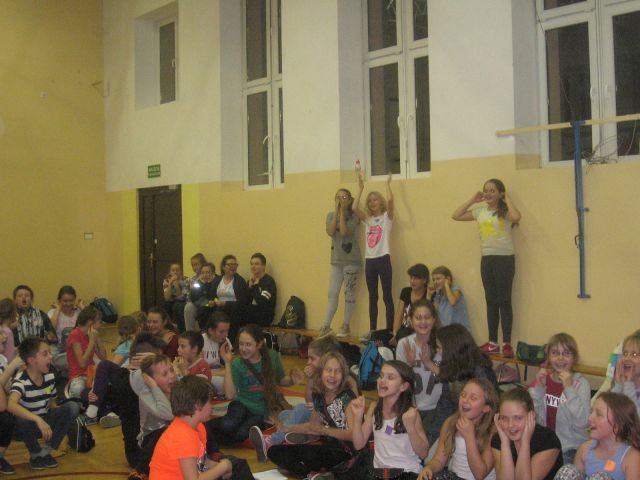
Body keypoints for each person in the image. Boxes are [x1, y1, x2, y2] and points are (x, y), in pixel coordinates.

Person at [257, 352, 360, 477]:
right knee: (274, 452)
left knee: (310, 457)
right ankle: (314, 474)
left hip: (346, 452)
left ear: (343, 375)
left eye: (337, 371)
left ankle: (324, 473)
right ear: (321, 372)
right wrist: (285, 428)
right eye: (328, 370)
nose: (332, 375)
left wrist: (326, 430)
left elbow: (352, 435)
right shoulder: (319, 396)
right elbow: (312, 427)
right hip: (328, 447)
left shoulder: (347, 397)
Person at [452, 178, 521, 358]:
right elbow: (456, 215)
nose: (488, 193)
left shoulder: (505, 212)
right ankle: (493, 343)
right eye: (486, 190)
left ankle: (507, 343)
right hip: (487, 259)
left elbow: (516, 217)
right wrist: (472, 200)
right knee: (491, 301)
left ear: (500, 193)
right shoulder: (480, 211)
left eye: (492, 190)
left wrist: (507, 199)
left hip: (504, 260)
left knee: (504, 301)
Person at [251, 334, 359, 448]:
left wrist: (321, 414)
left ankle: (273, 440)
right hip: (323, 420)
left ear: (325, 358)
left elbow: (352, 411)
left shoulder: (347, 380)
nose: (308, 362)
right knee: (284, 414)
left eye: (312, 358)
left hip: (339, 426)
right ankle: (309, 435)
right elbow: (309, 400)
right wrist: (312, 378)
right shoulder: (321, 377)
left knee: (301, 410)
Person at [209, 324, 303, 445]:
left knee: (242, 433)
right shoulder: (237, 363)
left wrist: (292, 380)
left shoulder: (272, 357)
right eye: (241, 344)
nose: (243, 348)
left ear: (259, 344)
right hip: (241, 404)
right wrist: (227, 363)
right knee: (228, 424)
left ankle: (210, 439)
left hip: (261, 411)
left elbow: (281, 380)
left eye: (248, 344)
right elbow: (230, 395)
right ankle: (204, 428)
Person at [8, 337, 80, 470]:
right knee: (20, 419)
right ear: (31, 360)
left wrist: (61, 415)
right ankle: (35, 454)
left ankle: (46, 451)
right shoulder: (21, 381)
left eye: (50, 353)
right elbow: (11, 405)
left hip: (44, 424)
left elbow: (51, 403)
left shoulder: (49, 377)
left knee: (73, 406)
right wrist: (37, 420)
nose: (50, 357)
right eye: (45, 354)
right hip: (26, 428)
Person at [351, 360, 429, 479]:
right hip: (379, 473)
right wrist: (357, 417)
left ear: (403, 386)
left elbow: (423, 453)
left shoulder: (410, 413)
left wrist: (411, 428)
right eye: (381, 376)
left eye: (390, 377)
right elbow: (358, 444)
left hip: (406, 472)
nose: (382, 381)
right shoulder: (374, 407)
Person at [427, 323, 499, 445]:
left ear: (452, 350)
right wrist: (431, 440)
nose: (438, 353)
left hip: (479, 433)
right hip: (458, 424)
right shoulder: (452, 368)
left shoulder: (481, 372)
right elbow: (444, 407)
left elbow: (488, 414)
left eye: (440, 348)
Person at [149, 376, 233, 480]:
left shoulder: (198, 427)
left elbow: (202, 461)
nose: (212, 406)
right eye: (209, 402)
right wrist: (222, 467)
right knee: (233, 466)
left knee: (236, 465)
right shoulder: (183, 436)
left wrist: (221, 467)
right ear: (197, 405)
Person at [419, 378, 498, 480]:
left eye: (473, 398)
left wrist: (469, 436)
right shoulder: (450, 423)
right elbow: (439, 460)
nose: (465, 400)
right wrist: (429, 468)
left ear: (486, 408)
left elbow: (480, 475)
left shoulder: (493, 431)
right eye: (463, 395)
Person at [529, 333, 590, 464]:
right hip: (546, 443)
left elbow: (583, 422)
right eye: (555, 353)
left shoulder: (581, 384)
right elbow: (532, 416)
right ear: (548, 357)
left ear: (574, 358)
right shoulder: (544, 379)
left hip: (571, 447)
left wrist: (569, 389)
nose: (560, 358)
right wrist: (539, 387)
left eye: (566, 353)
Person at [554, 392, 640, 480]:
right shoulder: (584, 449)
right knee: (568, 471)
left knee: (600, 477)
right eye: (591, 412)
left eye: (598, 414)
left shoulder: (631, 457)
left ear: (617, 425)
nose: (590, 418)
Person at [353, 170, 395, 339]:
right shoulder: (368, 220)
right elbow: (354, 208)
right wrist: (360, 188)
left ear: (380, 202)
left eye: (375, 199)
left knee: (387, 296)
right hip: (370, 261)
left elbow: (391, 200)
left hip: (383, 258)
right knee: (373, 296)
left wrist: (387, 184)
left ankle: (390, 331)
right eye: (370, 201)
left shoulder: (386, 218)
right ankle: (372, 330)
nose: (372, 202)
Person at [491, 388, 562, 480]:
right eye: (504, 418)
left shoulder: (547, 440)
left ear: (531, 416)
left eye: (517, 418)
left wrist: (525, 442)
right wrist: (505, 443)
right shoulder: (498, 439)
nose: (510, 425)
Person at [319, 187, 362, 338]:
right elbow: (331, 232)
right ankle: (325, 325)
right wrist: (337, 212)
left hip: (352, 261)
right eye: (338, 197)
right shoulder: (331, 215)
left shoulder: (354, 216)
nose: (340, 200)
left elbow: (344, 232)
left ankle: (345, 325)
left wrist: (342, 213)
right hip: (336, 260)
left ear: (349, 200)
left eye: (344, 198)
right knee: (332, 293)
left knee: (348, 293)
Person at [396, 299, 443, 437]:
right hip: (412, 407)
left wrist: (428, 362)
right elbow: (399, 381)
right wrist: (409, 365)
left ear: (434, 319)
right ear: (411, 320)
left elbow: (451, 379)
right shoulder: (404, 344)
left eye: (427, 317)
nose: (423, 322)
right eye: (418, 318)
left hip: (438, 408)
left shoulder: (443, 344)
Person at [128, 354, 178, 480]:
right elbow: (168, 414)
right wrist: (154, 387)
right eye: (165, 374)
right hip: (150, 439)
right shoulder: (146, 394)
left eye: (172, 370)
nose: (171, 376)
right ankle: (141, 471)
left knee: (199, 421)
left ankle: (212, 453)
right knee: (162, 434)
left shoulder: (177, 387)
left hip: (175, 438)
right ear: (150, 380)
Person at [66, 306, 107, 398]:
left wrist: (97, 338)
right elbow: (82, 364)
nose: (101, 324)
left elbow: (103, 358)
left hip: (91, 373)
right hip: (78, 376)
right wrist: (92, 341)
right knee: (78, 390)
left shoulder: (91, 334)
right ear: (90, 322)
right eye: (99, 322)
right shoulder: (75, 335)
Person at [0, 327, 23, 475]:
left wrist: (20, 372)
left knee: (8, 419)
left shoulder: (2, 359)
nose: (4, 336)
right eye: (0, 333)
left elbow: (7, 388)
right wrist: (12, 366)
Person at [211, 255, 249, 342]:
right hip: (219, 309)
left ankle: (229, 342)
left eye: (235, 264)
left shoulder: (240, 281)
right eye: (230, 264)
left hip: (234, 311)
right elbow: (213, 296)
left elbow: (242, 301)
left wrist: (226, 303)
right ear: (223, 267)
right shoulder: (217, 280)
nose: (233, 267)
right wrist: (215, 301)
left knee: (226, 315)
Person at [391, 264, 430, 346]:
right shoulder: (406, 291)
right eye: (411, 278)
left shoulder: (429, 294)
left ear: (424, 280)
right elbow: (399, 315)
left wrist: (429, 296)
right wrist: (395, 334)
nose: (412, 281)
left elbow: (430, 316)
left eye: (416, 278)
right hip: (405, 331)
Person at [48, 285, 84, 373]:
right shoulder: (52, 313)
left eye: (71, 301)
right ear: (59, 301)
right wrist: (58, 309)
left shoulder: (79, 313)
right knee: (75, 362)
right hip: (59, 351)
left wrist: (82, 308)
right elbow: (51, 332)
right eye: (65, 301)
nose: (68, 304)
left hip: (77, 349)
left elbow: (91, 324)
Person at [201, 312, 231, 396]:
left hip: (219, 371)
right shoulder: (201, 342)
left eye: (227, 331)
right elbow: (199, 371)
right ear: (211, 330)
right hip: (205, 376)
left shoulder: (225, 341)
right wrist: (222, 372)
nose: (226, 335)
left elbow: (230, 364)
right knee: (222, 383)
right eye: (221, 331)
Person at [610, 331, 640, 416]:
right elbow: (609, 410)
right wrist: (618, 384)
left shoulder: (628, 386)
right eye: (625, 353)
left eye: (634, 354)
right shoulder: (622, 384)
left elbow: (635, 418)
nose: (627, 358)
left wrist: (628, 385)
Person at [246, 252, 277, 328]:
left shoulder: (269, 282)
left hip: (263, 319)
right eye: (251, 264)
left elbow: (263, 302)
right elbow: (246, 301)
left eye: (256, 264)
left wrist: (255, 286)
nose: (253, 266)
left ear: (263, 266)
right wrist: (249, 288)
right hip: (249, 318)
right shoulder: (250, 281)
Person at [189, 262, 219, 332]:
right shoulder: (198, 282)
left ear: (213, 273)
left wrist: (214, 301)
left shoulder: (218, 281)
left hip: (216, 304)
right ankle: (202, 331)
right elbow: (194, 297)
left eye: (208, 272)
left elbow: (218, 296)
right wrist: (203, 284)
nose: (205, 275)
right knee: (202, 309)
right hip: (204, 303)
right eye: (202, 273)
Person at [184, 253, 209, 332]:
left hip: (206, 301)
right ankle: (189, 333)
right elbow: (189, 295)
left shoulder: (208, 276)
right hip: (195, 301)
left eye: (196, 264)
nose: (194, 267)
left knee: (189, 306)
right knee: (184, 306)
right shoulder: (192, 279)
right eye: (193, 265)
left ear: (203, 264)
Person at [163, 263, 189, 332]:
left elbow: (180, 296)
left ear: (181, 271)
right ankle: (169, 327)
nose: (175, 272)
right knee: (167, 304)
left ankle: (181, 330)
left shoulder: (185, 279)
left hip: (182, 300)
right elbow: (167, 298)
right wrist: (170, 283)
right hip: (172, 301)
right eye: (173, 270)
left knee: (178, 305)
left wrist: (176, 284)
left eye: (177, 270)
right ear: (170, 272)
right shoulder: (166, 280)